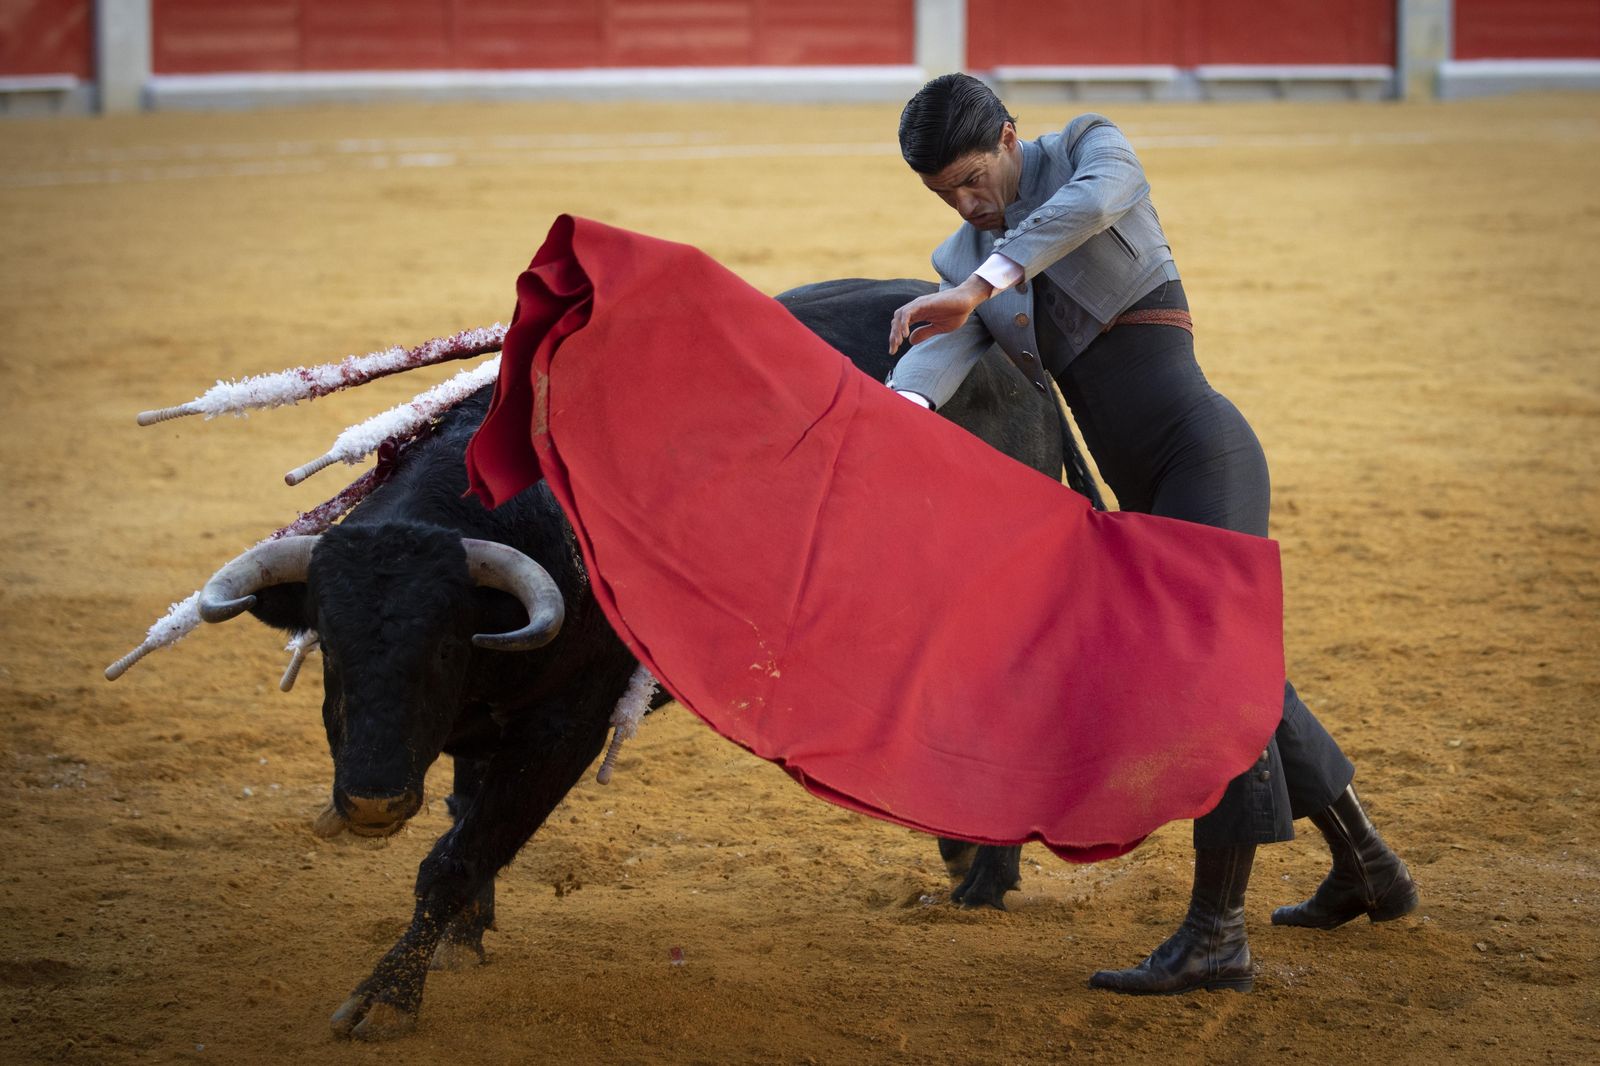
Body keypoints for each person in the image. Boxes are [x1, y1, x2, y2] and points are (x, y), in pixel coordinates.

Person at [884, 73, 1418, 995]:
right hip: (1143, 492)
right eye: (947, 194)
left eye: (974, 178)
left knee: (1216, 682)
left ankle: (1217, 934)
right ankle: (1368, 865)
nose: (969, 203)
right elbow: (941, 352)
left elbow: (1088, 209)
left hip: (1204, 454)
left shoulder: (1090, 149)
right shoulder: (963, 256)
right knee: (1247, 680)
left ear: (1010, 138)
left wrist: (980, 282)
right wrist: (892, 410)